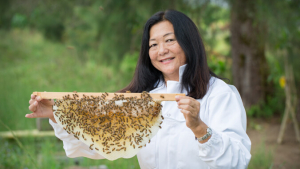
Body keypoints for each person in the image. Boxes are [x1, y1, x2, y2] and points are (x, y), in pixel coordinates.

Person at [27, 10, 251, 168]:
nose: (161, 50)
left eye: (170, 40)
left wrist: (200, 128)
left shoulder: (220, 94)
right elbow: (99, 145)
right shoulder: (142, 99)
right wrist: (56, 114)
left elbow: (237, 162)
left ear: (189, 42)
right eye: (153, 44)